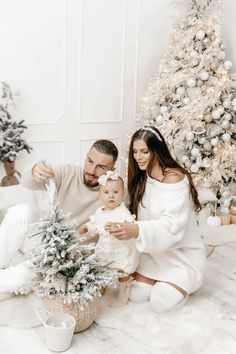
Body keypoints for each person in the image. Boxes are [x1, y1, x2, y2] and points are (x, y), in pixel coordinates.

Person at [105, 126, 206, 314]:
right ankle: (161, 281)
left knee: (160, 302)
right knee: (135, 295)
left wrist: (137, 230)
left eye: (144, 151)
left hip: (180, 257)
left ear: (156, 150)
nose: (138, 157)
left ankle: (179, 284)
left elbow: (172, 227)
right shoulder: (144, 177)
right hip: (153, 254)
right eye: (135, 152)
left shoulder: (175, 180)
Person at [0, 139, 118, 297]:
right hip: (45, 240)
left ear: (112, 170)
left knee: (21, 278)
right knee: (20, 212)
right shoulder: (69, 173)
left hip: (67, 259)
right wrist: (35, 169)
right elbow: (28, 183)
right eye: (90, 161)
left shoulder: (114, 193)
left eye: (101, 167)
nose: (91, 170)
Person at [79, 170, 139, 305]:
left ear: (122, 194)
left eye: (116, 192)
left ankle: (122, 296)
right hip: (105, 249)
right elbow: (94, 225)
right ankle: (101, 288)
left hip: (120, 249)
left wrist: (116, 228)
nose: (111, 196)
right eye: (106, 193)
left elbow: (128, 226)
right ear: (100, 195)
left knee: (122, 272)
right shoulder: (99, 212)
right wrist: (87, 228)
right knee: (101, 269)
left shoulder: (123, 211)